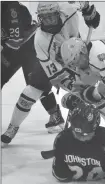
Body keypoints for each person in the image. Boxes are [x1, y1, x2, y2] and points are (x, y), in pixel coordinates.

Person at [1, 1, 64, 147]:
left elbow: (15, 42)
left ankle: (56, 116)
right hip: (11, 49)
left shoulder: (13, 11)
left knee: (37, 85)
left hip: (29, 48)